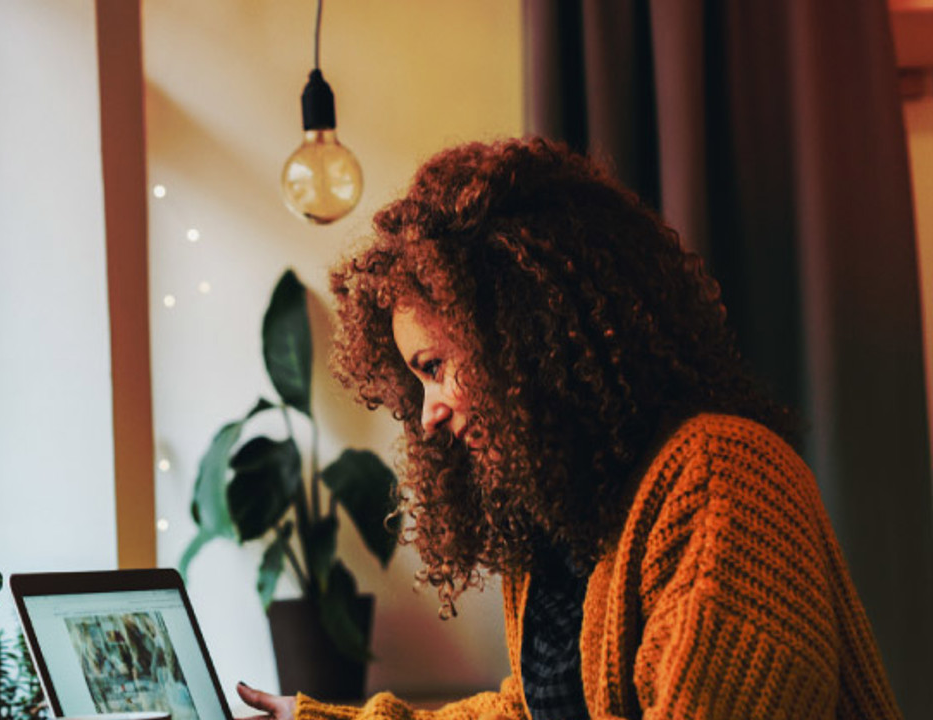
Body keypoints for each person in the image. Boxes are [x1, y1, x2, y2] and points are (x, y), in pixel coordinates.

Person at [234, 138, 901, 719]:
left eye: (435, 366)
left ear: (522, 336)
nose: (430, 411)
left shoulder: (723, 478)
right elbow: (529, 712)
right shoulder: (564, 512)